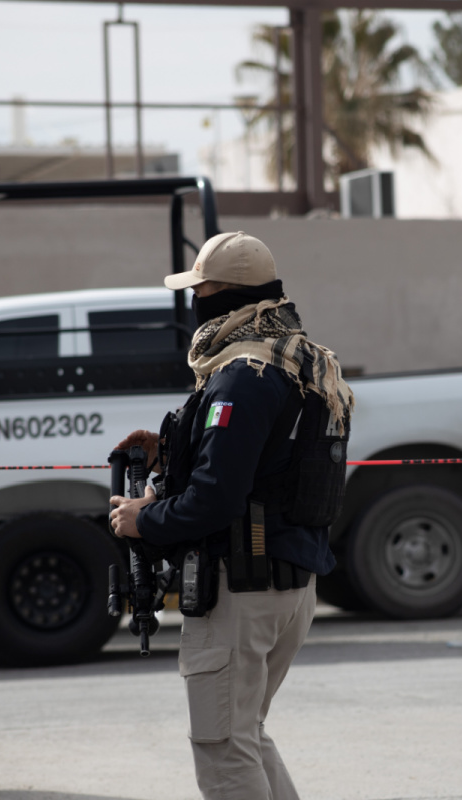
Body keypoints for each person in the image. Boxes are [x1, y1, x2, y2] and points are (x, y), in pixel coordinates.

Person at [108, 231, 353, 800]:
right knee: (245, 734)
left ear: (228, 295)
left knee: (223, 746)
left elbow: (214, 499)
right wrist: (173, 446)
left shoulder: (245, 373)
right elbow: (272, 466)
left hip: (243, 589)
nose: (196, 302)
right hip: (286, 586)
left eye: (203, 289)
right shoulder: (303, 361)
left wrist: (142, 519)